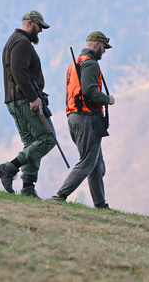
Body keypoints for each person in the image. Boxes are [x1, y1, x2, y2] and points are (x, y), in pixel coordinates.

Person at [50, 31, 115, 209]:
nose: (104, 51)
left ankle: (101, 205)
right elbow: (90, 91)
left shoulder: (75, 64)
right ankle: (59, 195)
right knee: (87, 162)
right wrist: (107, 99)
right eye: (103, 47)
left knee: (96, 165)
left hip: (74, 116)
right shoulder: (91, 64)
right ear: (96, 44)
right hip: (87, 118)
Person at [0, 10, 56, 198]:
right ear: (29, 23)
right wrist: (33, 98)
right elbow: (18, 71)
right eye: (39, 26)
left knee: (31, 142)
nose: (41, 31)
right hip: (24, 101)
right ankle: (10, 167)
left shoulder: (12, 41)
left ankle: (28, 188)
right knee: (47, 138)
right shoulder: (22, 42)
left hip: (14, 101)